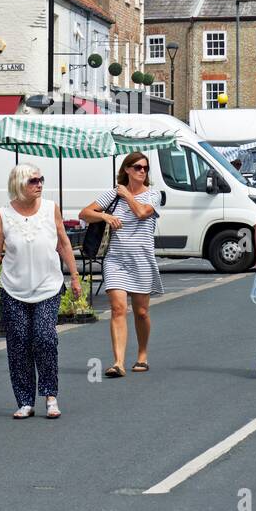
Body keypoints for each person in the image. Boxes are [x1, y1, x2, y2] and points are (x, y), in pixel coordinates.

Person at [0, 165, 83, 419]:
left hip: (48, 286)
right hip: (14, 289)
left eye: (41, 180)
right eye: (34, 181)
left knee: (45, 339)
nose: (39, 184)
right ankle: (25, 401)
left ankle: (50, 396)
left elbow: (63, 242)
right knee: (19, 343)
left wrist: (75, 277)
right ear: (19, 185)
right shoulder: (3, 214)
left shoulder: (50, 208)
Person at [80, 152, 162, 377]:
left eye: (145, 168)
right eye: (137, 167)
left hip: (142, 259)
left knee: (141, 312)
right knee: (117, 309)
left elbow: (142, 213)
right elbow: (85, 213)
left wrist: (126, 195)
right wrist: (105, 217)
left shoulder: (153, 195)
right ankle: (118, 362)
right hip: (116, 258)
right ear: (126, 169)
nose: (142, 171)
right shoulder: (113, 194)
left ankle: (142, 355)